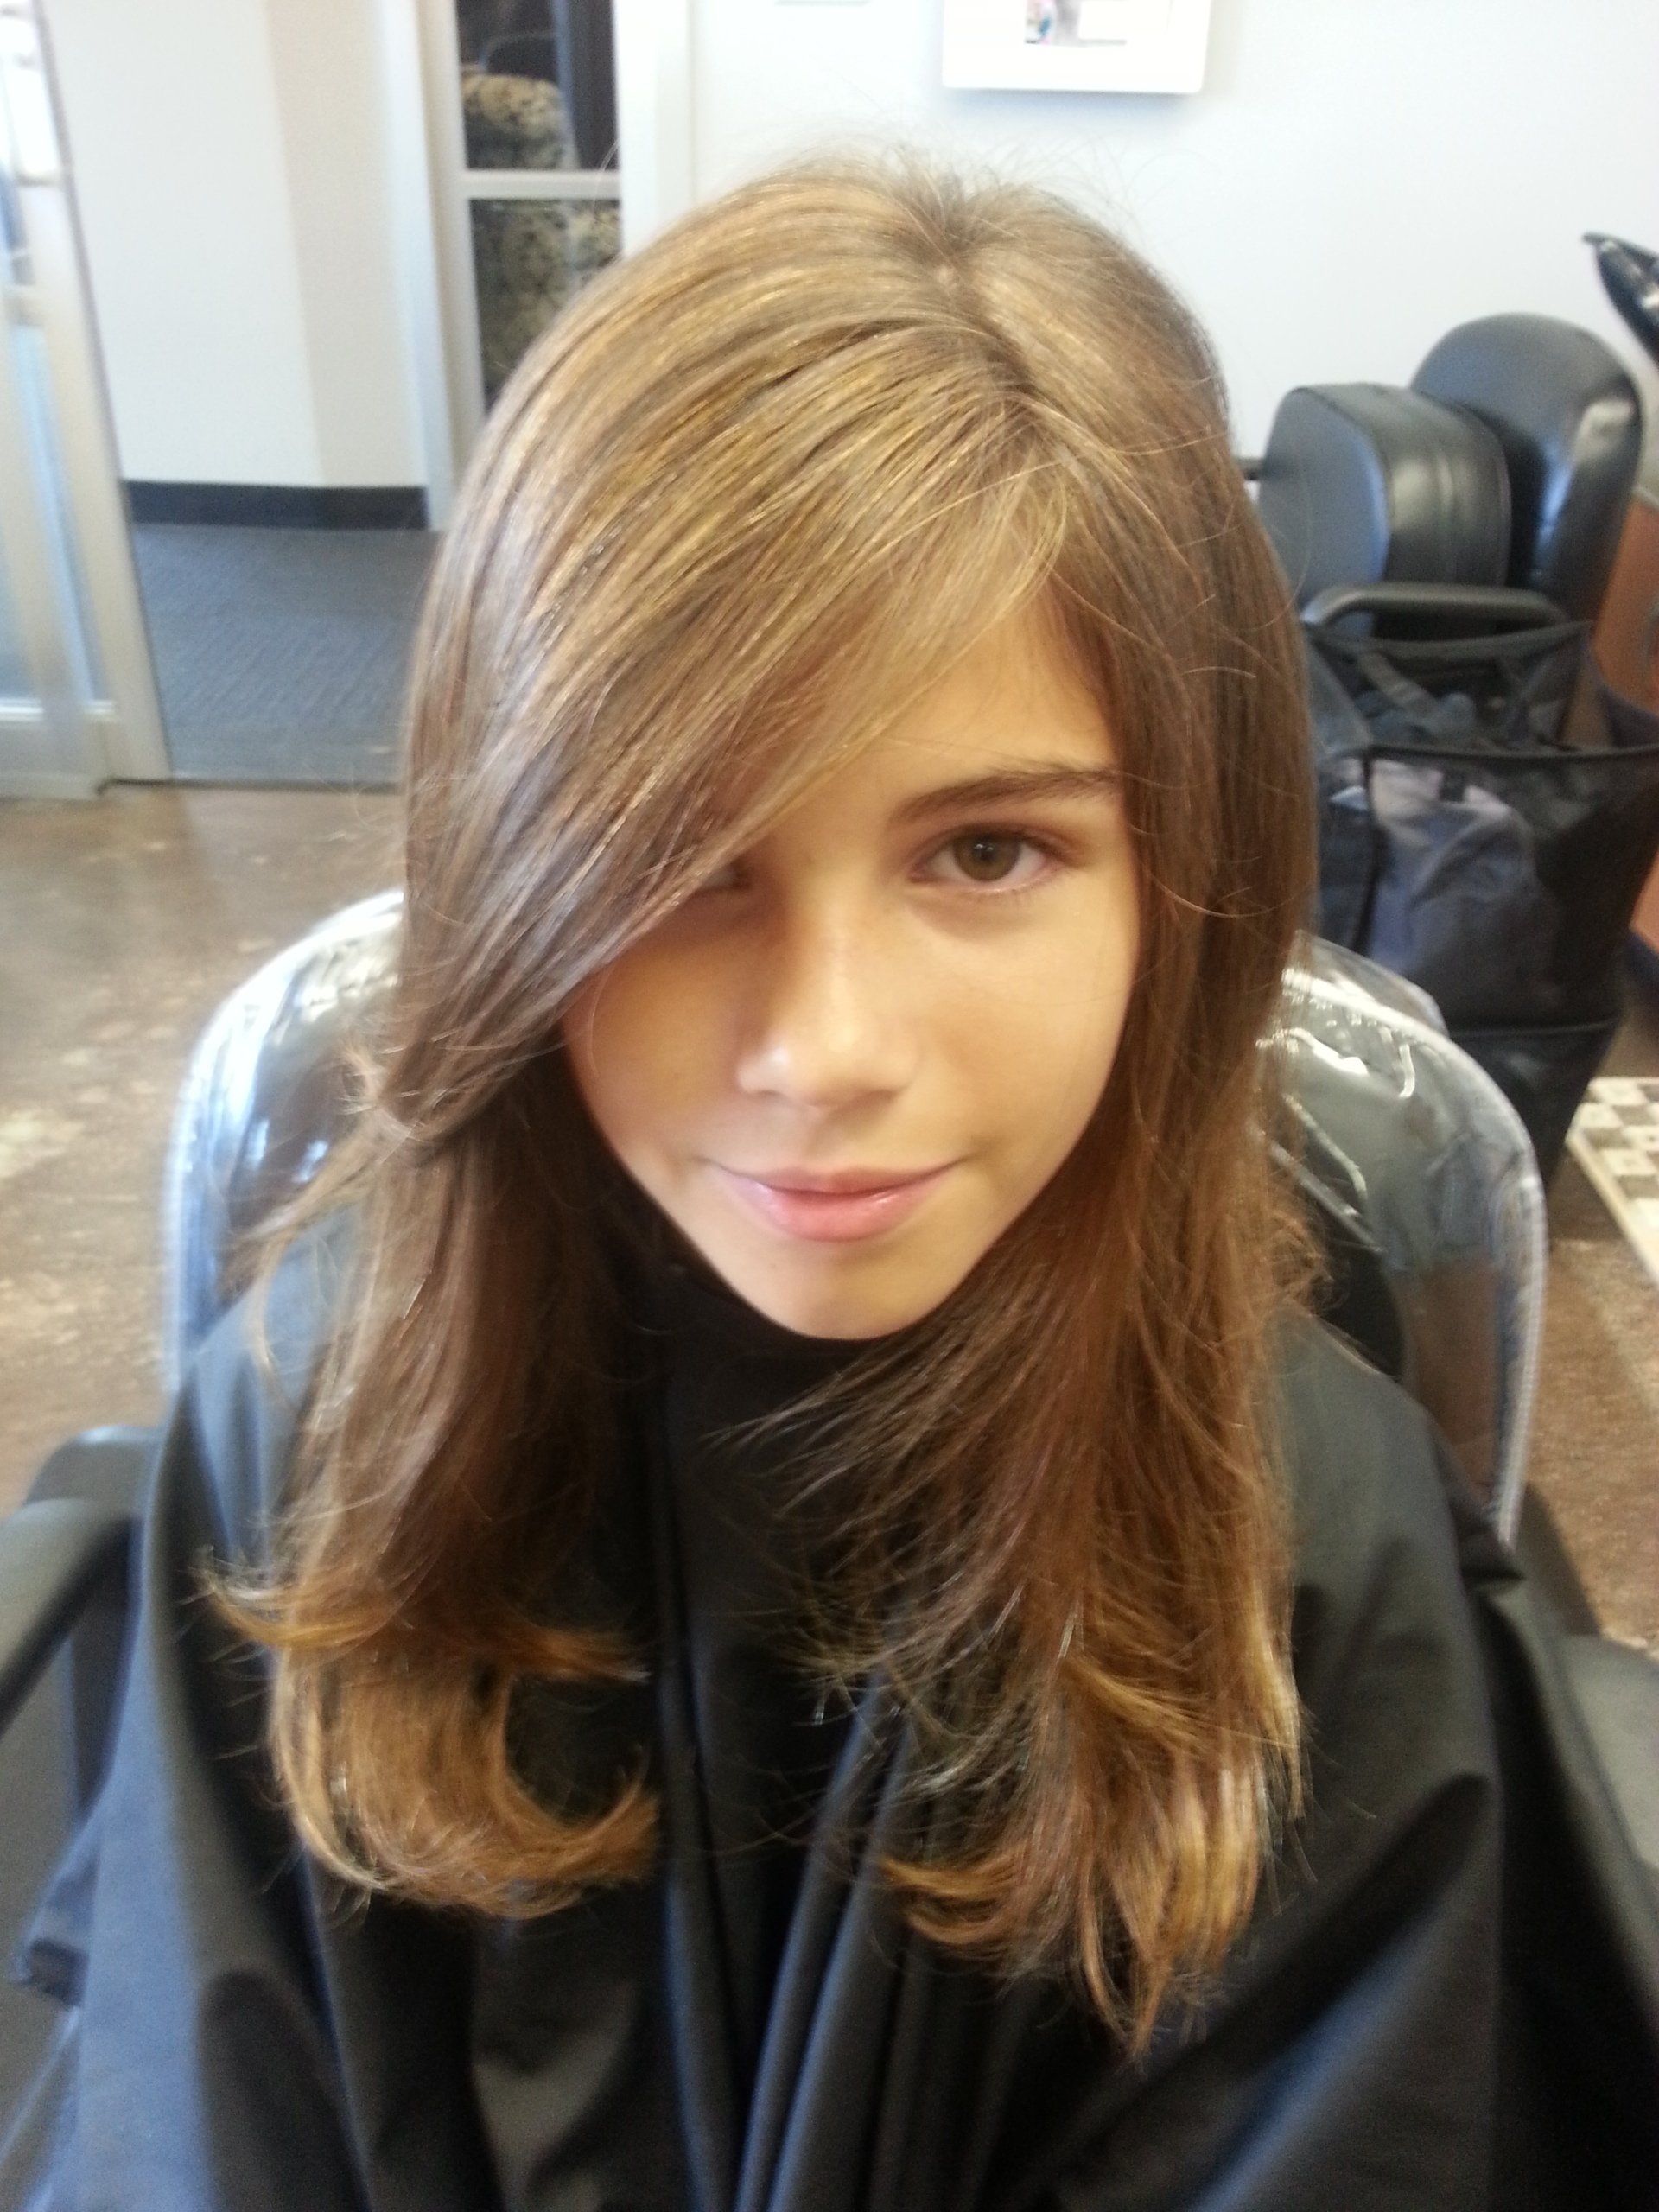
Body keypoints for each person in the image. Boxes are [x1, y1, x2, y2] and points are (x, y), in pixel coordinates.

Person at [11, 153, 1652, 2212]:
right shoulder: (313, 1442)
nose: (827, 1045)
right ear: (515, 865)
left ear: (1186, 885)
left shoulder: (1309, 1556)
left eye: (988, 852)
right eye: (685, 857)